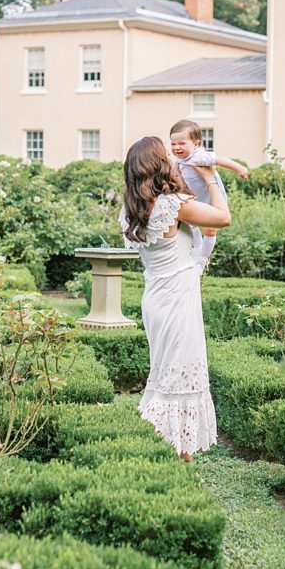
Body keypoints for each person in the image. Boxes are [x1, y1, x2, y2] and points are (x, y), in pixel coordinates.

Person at [119, 135, 231, 462]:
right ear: (158, 165)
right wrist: (211, 177)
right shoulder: (171, 204)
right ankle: (157, 446)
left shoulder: (130, 211)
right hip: (178, 300)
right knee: (175, 379)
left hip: (155, 299)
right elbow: (222, 217)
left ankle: (180, 459)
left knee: (167, 375)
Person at [169, 119, 247, 266]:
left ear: (197, 144)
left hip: (210, 198)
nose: (176, 148)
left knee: (210, 230)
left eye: (182, 143)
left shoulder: (199, 156)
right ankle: (196, 253)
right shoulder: (177, 161)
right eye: (173, 144)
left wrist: (239, 168)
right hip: (194, 198)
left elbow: (220, 160)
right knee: (191, 224)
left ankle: (203, 259)